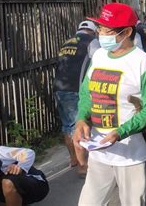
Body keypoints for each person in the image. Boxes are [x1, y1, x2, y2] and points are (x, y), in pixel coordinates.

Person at [73, 3, 146, 206]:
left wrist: (120, 132)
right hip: (99, 151)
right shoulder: (99, 56)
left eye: (107, 30)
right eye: (100, 28)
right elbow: (87, 93)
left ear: (127, 32)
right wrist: (81, 120)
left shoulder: (142, 62)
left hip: (131, 155)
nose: (100, 33)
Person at [53, 20, 100, 175]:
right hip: (76, 89)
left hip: (60, 89)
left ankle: (73, 159)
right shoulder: (91, 41)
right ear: (93, 31)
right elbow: (99, 61)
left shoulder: (67, 42)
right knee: (78, 126)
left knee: (67, 126)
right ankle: (82, 166)